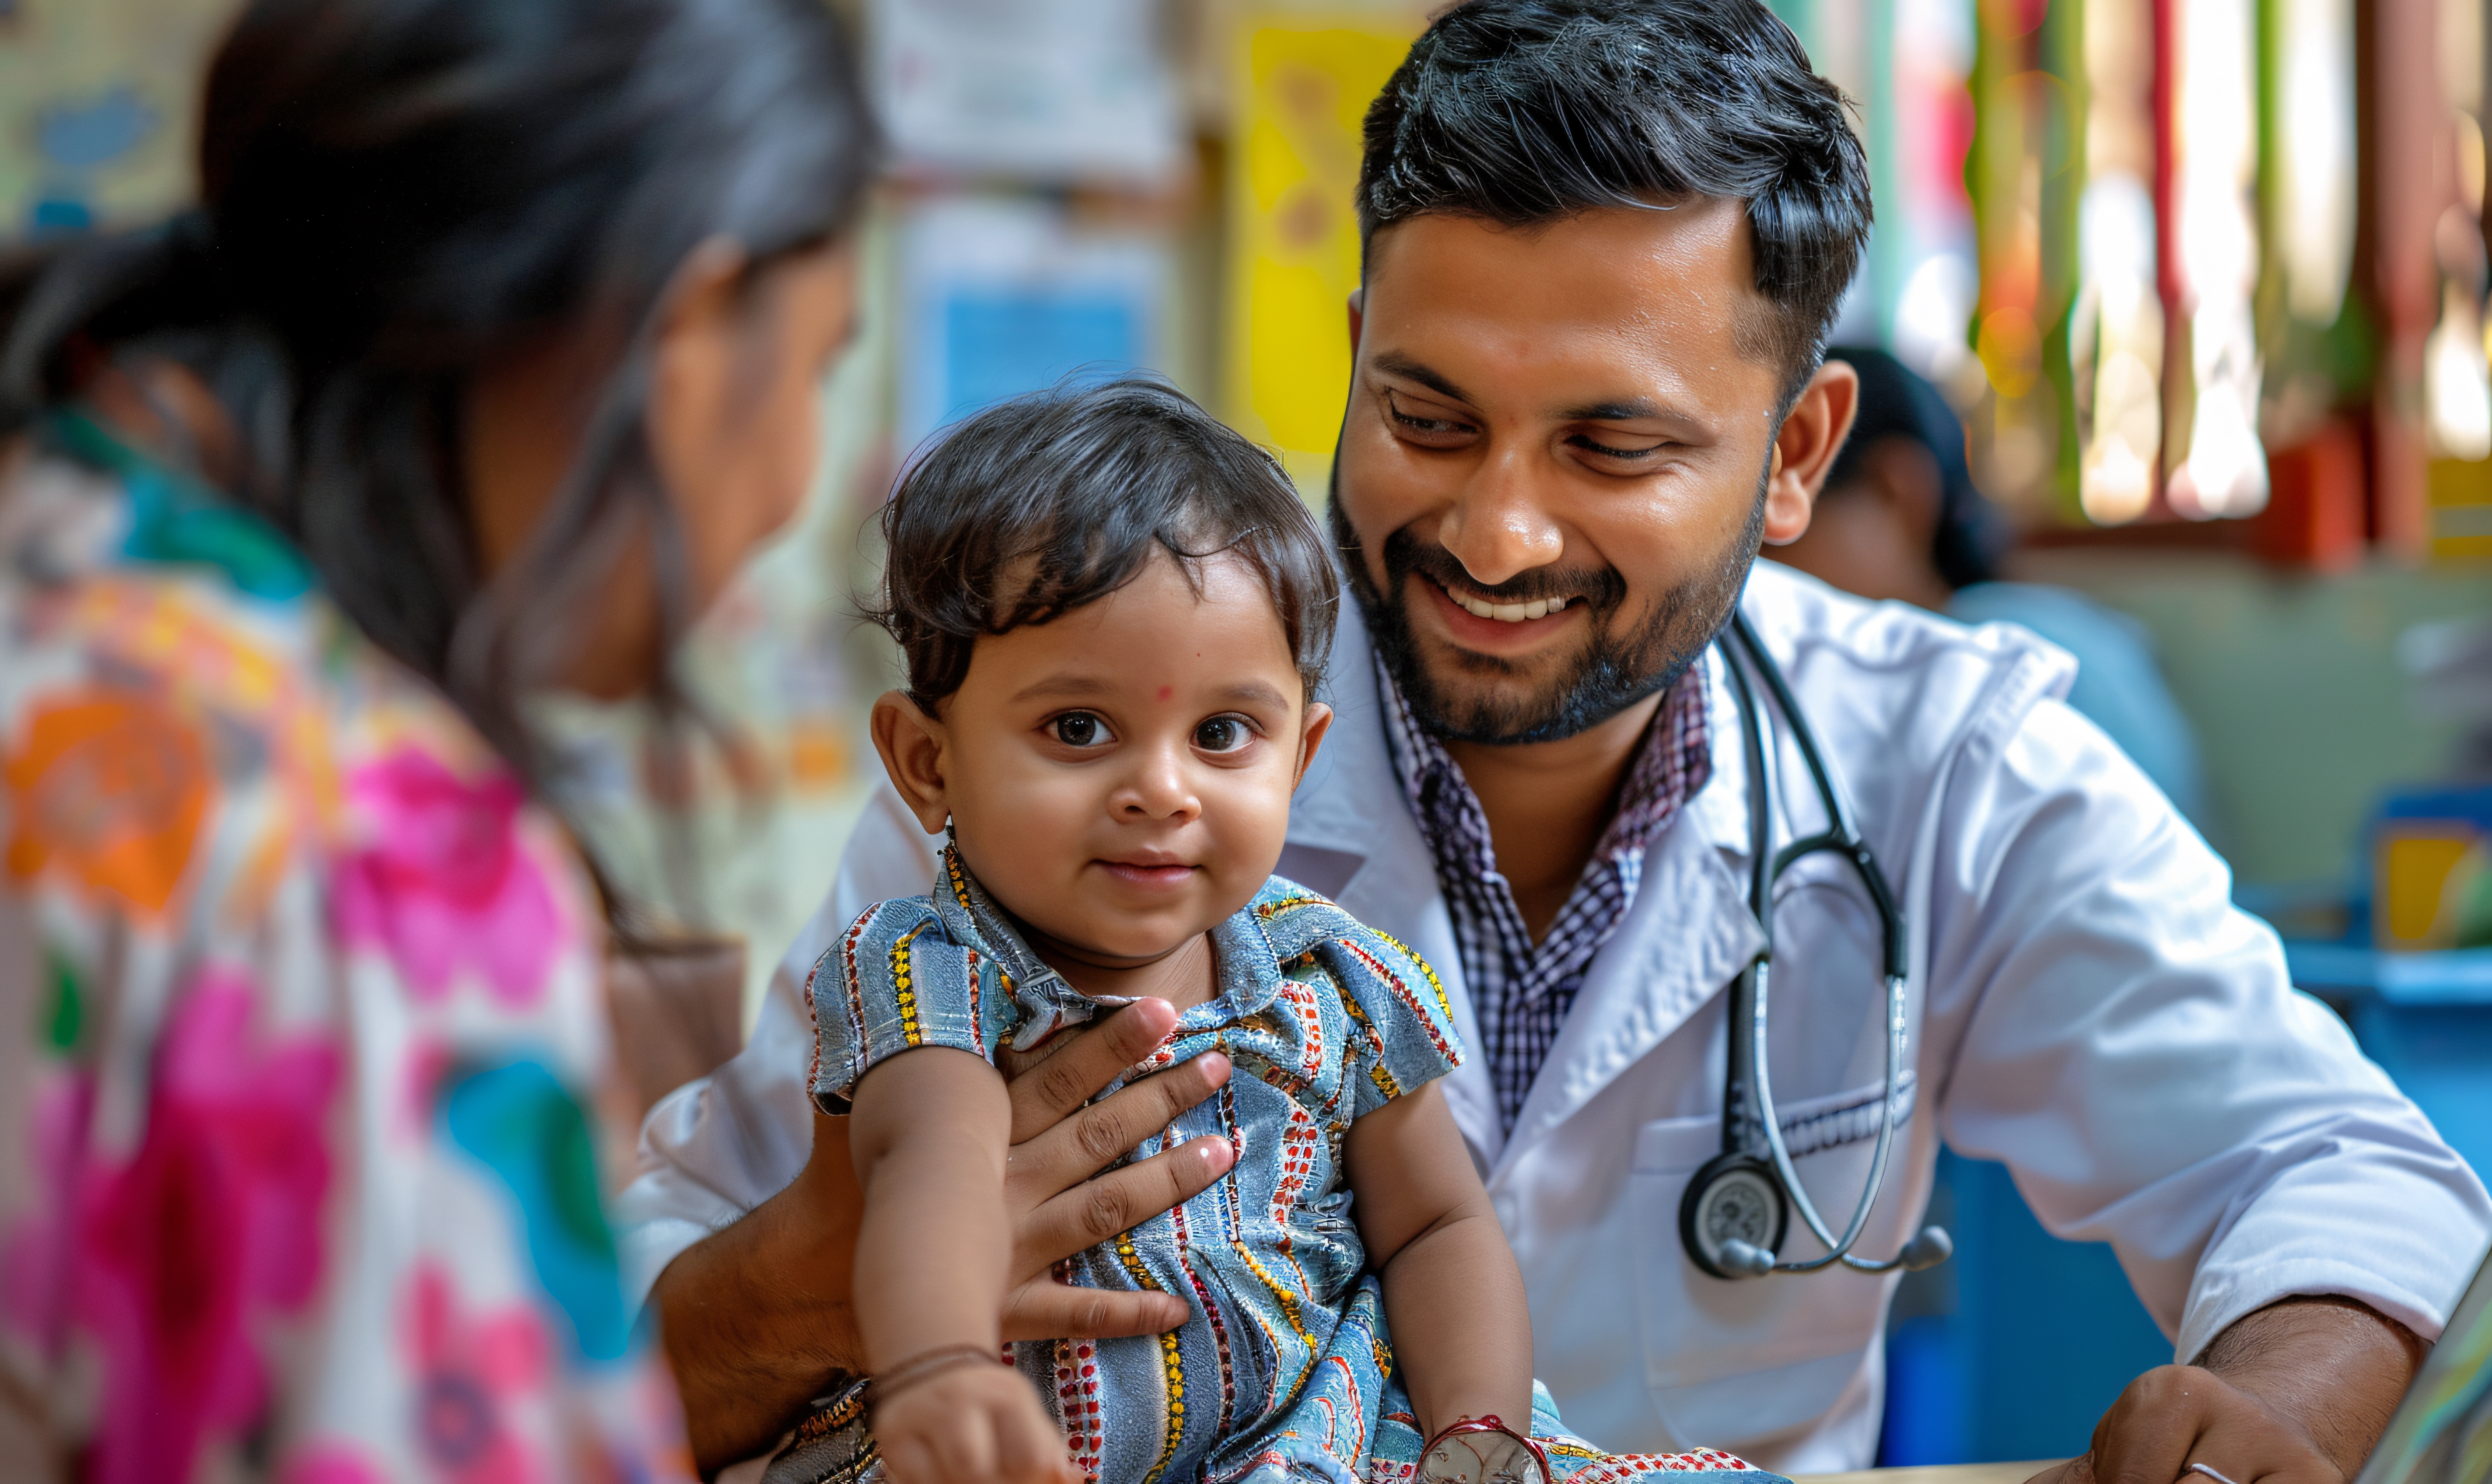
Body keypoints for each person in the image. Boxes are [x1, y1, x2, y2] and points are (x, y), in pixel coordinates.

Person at [625, 1, 2491, 1478]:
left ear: (1801, 456)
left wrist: (2279, 1404)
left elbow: (2333, 1163)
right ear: (1352, 354)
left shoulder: (1951, 767)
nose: (1497, 532)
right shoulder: (1090, 749)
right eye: (1426, 415)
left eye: (1613, 447)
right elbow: (617, 1346)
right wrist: (817, 1283)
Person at [0, 0, 873, 1473]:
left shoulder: (54, 556)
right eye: (817, 366)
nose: (797, 472)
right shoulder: (365, 849)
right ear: (684, 324)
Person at [801, 379, 1764, 1484]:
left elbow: (1437, 1226)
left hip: (1329, 1443)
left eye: (1220, 733)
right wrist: (938, 1367)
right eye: (1079, 728)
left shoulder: (1329, 974)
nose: (1161, 789)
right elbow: (934, 1167)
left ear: (1297, 759)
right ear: (927, 763)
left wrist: (1478, 1434)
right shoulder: (935, 970)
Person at [1771, 346, 2209, 826]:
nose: (1752, 574)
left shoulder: (1993, 664)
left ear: (1892, 491)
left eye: (1768, 531)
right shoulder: (2033, 623)